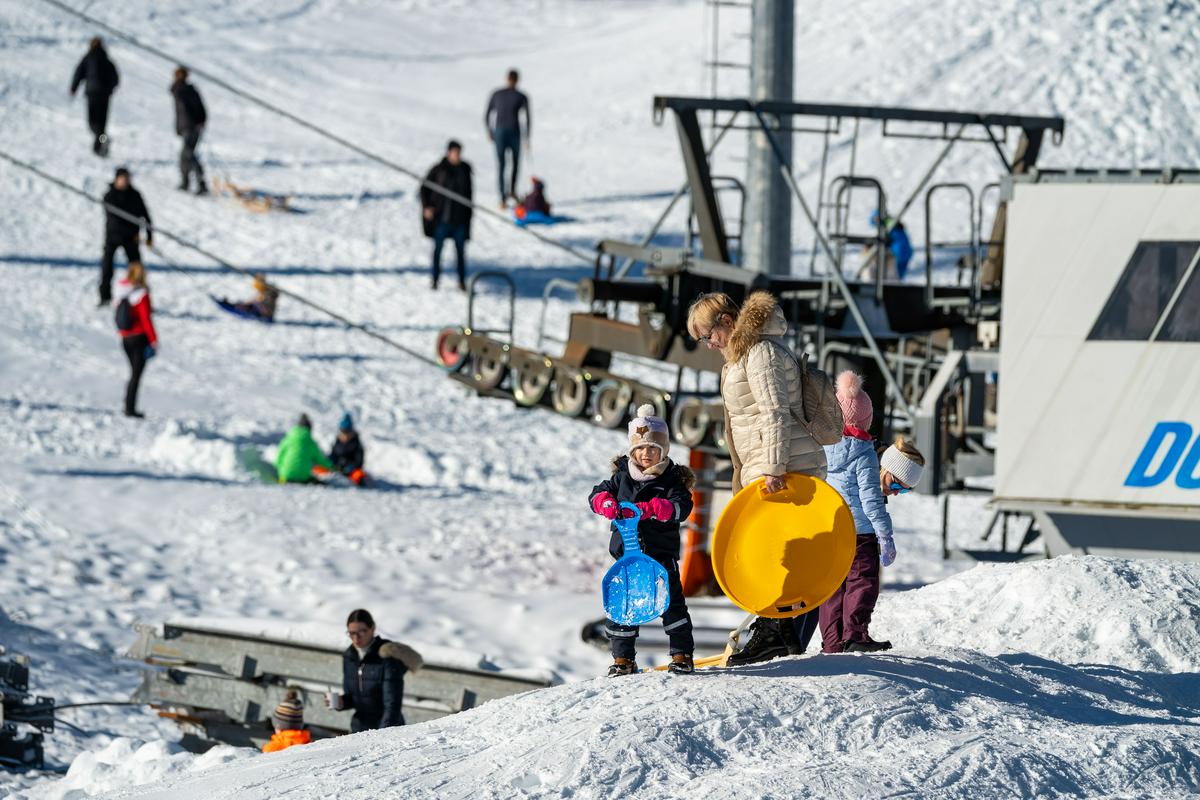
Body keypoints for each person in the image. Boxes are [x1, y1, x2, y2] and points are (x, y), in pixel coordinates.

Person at [686, 291, 829, 666]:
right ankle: (780, 632)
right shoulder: (740, 357)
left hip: (786, 468)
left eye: (707, 334)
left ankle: (776, 633)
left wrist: (774, 468)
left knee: (777, 553)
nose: (708, 343)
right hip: (766, 467)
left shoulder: (760, 352)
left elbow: (774, 413)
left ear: (727, 322)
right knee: (777, 551)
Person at [589, 405, 696, 676]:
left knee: (671, 605)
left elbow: (681, 507)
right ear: (631, 450)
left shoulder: (671, 479)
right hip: (627, 559)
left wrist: (656, 509)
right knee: (623, 604)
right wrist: (606, 503)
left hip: (660, 556)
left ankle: (681, 654)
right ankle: (623, 659)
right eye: (640, 448)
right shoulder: (622, 476)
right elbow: (596, 494)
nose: (645, 454)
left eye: (652, 449)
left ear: (664, 450)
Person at [818, 372, 902, 654]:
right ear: (867, 420)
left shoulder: (823, 447)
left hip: (831, 529)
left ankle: (831, 642)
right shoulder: (864, 453)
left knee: (832, 587)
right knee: (862, 581)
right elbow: (870, 498)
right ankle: (855, 634)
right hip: (860, 532)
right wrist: (885, 534)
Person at [334, 609, 422, 732]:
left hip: (387, 730)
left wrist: (381, 736)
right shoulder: (350, 657)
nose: (356, 638)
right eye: (351, 633)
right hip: (359, 729)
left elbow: (392, 706)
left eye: (362, 632)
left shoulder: (387, 657)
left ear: (373, 628)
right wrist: (341, 702)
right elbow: (355, 697)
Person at [420, 140, 473, 291]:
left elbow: (469, 195)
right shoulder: (439, 170)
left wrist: (468, 216)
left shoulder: (464, 170)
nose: (457, 156)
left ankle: (461, 282)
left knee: (461, 254)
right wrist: (427, 207)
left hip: (459, 220)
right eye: (455, 152)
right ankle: (435, 280)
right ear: (449, 152)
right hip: (441, 219)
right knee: (437, 252)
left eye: (459, 153)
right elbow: (424, 188)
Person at [100, 167, 153, 306]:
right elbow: (114, 218)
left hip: (131, 238)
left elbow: (145, 215)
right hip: (113, 237)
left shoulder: (135, 195)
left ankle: (143, 298)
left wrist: (149, 235)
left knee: (137, 269)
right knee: (107, 268)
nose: (125, 182)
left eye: (127, 179)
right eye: (123, 179)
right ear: (117, 179)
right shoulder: (109, 196)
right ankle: (105, 297)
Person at [114, 262, 157, 419]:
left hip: (125, 338)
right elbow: (146, 319)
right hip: (140, 338)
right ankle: (130, 408)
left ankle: (128, 405)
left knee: (133, 373)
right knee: (136, 375)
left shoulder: (121, 290)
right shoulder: (141, 294)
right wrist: (153, 340)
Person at [484, 69, 530, 206]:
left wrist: (526, 137)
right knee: (504, 165)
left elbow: (527, 118)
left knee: (511, 164)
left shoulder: (520, 96)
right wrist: (489, 130)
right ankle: (503, 196)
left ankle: (510, 193)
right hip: (505, 133)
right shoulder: (500, 94)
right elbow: (487, 114)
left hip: (509, 132)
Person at [70, 37, 119, 156]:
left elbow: (79, 73)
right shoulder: (107, 60)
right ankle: (100, 144)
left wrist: (73, 88)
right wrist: (110, 89)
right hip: (105, 96)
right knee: (101, 125)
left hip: (92, 94)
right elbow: (115, 78)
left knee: (93, 123)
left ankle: (100, 144)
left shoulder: (88, 58)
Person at [171, 66, 208, 195]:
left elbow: (200, 109)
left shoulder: (186, 90)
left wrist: (200, 122)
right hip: (186, 127)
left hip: (191, 128)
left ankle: (200, 183)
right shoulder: (182, 90)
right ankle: (186, 183)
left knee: (188, 155)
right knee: (186, 156)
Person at [275, 414, 333, 484]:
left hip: (285, 476)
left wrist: (281, 471)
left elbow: (278, 458)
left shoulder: (287, 439)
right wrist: (331, 467)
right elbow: (320, 460)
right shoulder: (311, 442)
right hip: (302, 477)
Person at [329, 413, 366, 486]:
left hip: (351, 470)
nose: (344, 435)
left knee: (359, 475)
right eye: (342, 431)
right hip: (337, 468)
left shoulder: (356, 444)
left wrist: (350, 466)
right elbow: (332, 455)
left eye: (347, 432)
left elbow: (359, 462)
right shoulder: (337, 442)